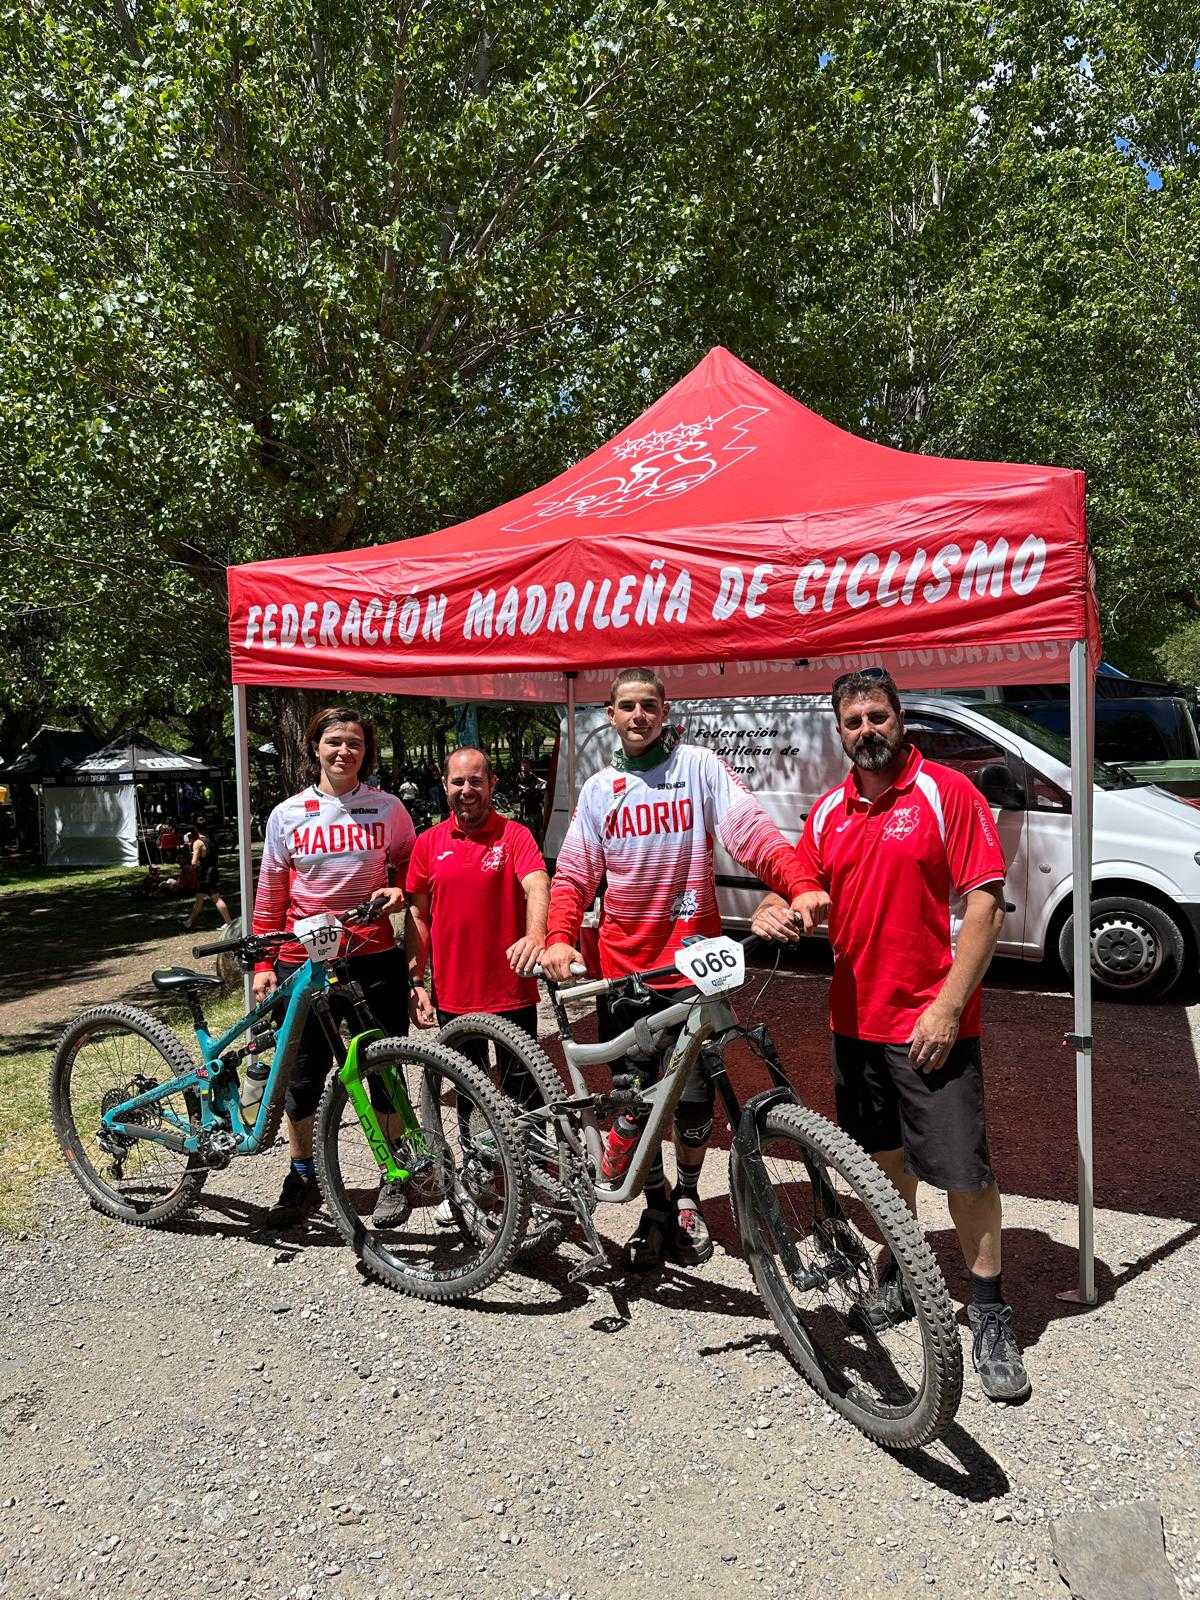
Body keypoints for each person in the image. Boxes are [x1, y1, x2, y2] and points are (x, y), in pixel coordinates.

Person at [751, 667, 1029, 1403]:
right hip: (854, 1024)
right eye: (853, 722)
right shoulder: (830, 811)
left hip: (931, 1025)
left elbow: (987, 906)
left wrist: (945, 1006)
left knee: (965, 1175)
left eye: (877, 716)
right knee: (884, 1169)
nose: (867, 730)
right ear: (839, 733)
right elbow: (807, 891)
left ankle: (990, 1309)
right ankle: (906, 1276)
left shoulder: (946, 792)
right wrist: (778, 911)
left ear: (899, 718)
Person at [541, 667, 804, 1272]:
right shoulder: (599, 790)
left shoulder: (699, 767)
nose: (638, 716)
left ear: (665, 712)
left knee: (692, 1099)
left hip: (692, 968)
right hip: (624, 973)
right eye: (626, 706)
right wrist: (558, 937)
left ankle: (688, 1196)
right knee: (635, 1099)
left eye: (648, 706)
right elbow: (576, 874)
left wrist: (798, 883)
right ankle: (654, 1200)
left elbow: (753, 833)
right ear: (609, 713)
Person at [251, 706, 415, 1229]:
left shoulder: (388, 808)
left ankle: (396, 1172)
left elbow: (412, 867)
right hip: (304, 964)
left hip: (371, 956)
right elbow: (272, 890)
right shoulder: (286, 814)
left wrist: (403, 890)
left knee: (383, 1067)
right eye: (334, 742)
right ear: (314, 748)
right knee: (300, 1076)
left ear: (365, 752)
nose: (344, 751)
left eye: (355, 743)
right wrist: (262, 965)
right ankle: (303, 1174)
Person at [405, 746, 550, 1222]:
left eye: (475, 781)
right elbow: (419, 917)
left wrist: (535, 935)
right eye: (457, 782)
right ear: (444, 785)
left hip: (510, 994)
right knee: (466, 1096)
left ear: (492, 785)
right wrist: (416, 980)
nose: (466, 790)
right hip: (454, 997)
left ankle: (529, 1183)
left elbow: (537, 884)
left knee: (523, 1096)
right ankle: (475, 1177)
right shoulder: (427, 842)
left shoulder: (515, 835)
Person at [184, 820, 233, 930]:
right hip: (213, 871)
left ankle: (229, 923)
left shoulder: (198, 843)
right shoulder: (212, 840)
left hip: (205, 874)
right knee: (200, 897)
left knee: (215, 898)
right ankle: (189, 921)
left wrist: (191, 863)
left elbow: (194, 862)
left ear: (196, 829)